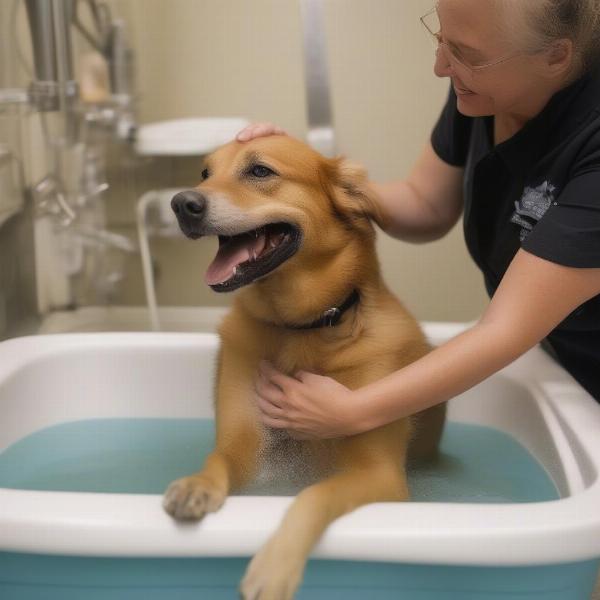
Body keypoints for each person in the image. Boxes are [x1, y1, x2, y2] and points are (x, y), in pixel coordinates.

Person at [235, 0, 600, 441]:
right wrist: (310, 180)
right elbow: (424, 204)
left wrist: (353, 412)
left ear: (556, 56)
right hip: (555, 353)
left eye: (465, 53)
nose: (441, 66)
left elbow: (504, 328)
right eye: (439, 38)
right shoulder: (487, 87)